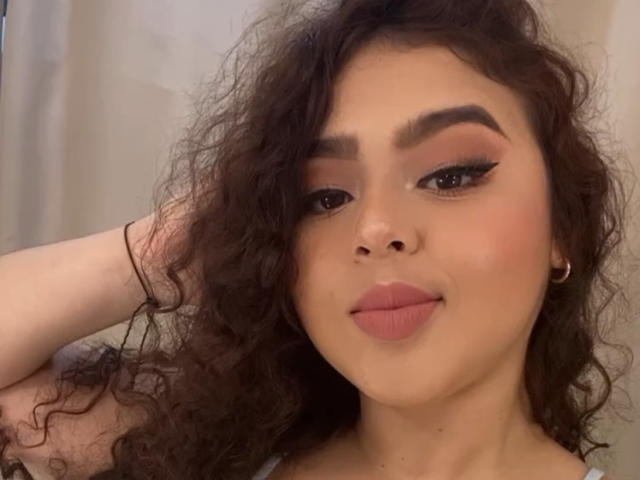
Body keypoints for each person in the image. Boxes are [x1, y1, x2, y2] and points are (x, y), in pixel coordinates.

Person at [0, 0, 633, 478]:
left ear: (563, 226)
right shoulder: (206, 452)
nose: (376, 229)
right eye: (324, 197)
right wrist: (173, 248)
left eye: (450, 175)